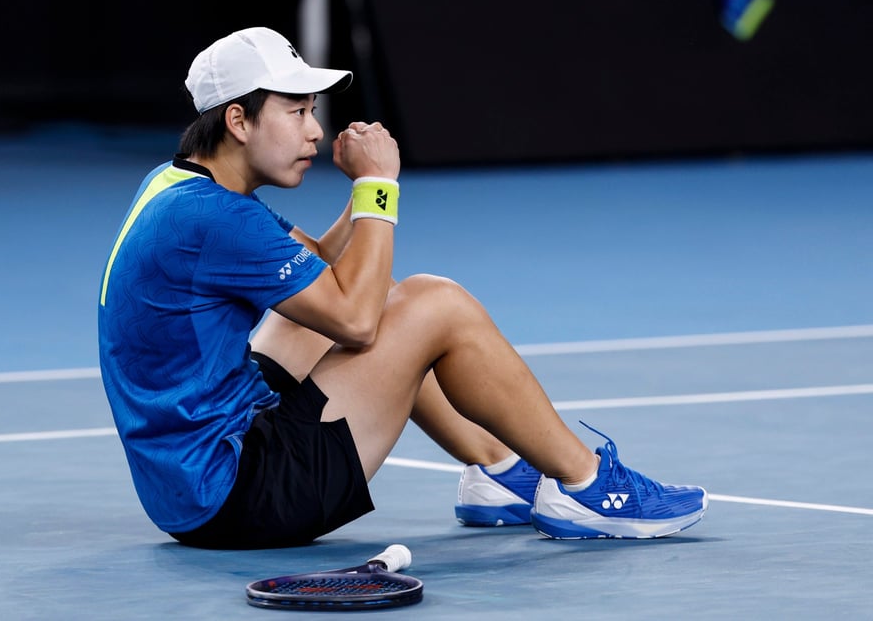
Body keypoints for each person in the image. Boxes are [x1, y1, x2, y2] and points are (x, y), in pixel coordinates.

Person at [97, 27, 708, 549]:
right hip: (243, 493)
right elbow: (357, 322)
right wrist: (378, 186)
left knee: (383, 297)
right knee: (436, 304)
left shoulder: (178, 186)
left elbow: (319, 267)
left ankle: (498, 470)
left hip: (185, 487)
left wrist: (358, 196)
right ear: (238, 120)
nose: (315, 132)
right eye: (297, 111)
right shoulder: (217, 218)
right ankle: (586, 485)